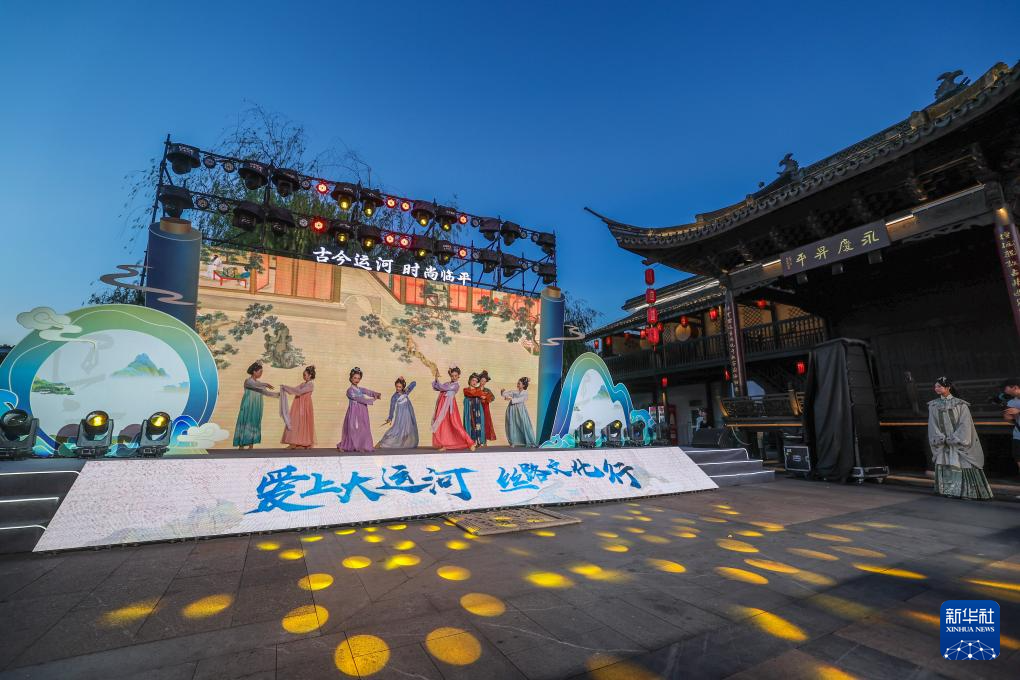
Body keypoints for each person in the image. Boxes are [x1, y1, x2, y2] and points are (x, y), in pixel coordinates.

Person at [928, 376, 993, 500]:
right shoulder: (933, 405)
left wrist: (956, 438)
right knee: (947, 463)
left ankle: (968, 492)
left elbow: (965, 423)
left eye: (939, 386)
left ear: (948, 387)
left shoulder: (960, 404)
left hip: (958, 442)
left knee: (964, 464)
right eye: (935, 386)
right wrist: (940, 437)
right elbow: (932, 423)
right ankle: (950, 491)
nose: (936, 388)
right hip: (944, 442)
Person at [233, 362, 278, 449]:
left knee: (254, 422)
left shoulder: (259, 383)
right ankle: (241, 445)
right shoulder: (248, 381)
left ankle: (251, 445)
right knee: (245, 421)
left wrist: (278, 395)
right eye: (260, 372)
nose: (261, 373)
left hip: (257, 406)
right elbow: (253, 385)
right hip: (248, 405)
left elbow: (266, 393)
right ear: (254, 372)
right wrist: (265, 384)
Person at [431, 366, 476, 451]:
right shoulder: (447, 383)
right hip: (442, 406)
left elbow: (442, 388)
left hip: (450, 407)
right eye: (452, 376)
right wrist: (436, 378)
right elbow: (436, 387)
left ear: (458, 376)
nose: (454, 377)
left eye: (456, 376)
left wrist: (438, 381)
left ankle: (470, 443)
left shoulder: (455, 385)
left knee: (456, 424)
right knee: (442, 425)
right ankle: (443, 444)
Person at [339, 367, 382, 452]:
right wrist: (373, 399)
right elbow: (359, 399)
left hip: (362, 411)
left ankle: (361, 445)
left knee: (363, 428)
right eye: (355, 378)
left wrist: (376, 394)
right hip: (354, 412)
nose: (357, 380)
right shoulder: (350, 391)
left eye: (358, 378)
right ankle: (347, 446)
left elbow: (368, 391)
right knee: (353, 428)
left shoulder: (360, 389)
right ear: (351, 378)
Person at [377, 377, 419, 449]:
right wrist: (390, 418)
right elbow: (392, 408)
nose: (398, 388)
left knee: (407, 430)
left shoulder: (406, 392)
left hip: (408, 414)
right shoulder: (394, 396)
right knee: (396, 430)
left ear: (403, 387)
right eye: (397, 386)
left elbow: (414, 383)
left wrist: (404, 383)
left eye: (400, 387)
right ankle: (383, 443)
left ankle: (402, 444)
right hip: (401, 415)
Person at [280, 365, 315, 449]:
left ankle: (303, 443)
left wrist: (287, 388)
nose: (303, 376)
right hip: (299, 405)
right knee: (297, 422)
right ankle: (296, 442)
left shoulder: (310, 385)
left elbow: (299, 392)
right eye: (303, 375)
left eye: (305, 375)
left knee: (303, 423)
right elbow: (295, 389)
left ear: (310, 375)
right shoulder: (303, 384)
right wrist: (285, 387)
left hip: (305, 406)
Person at [502, 377, 537, 447]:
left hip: (520, 410)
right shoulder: (514, 392)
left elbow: (522, 399)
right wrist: (503, 392)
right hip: (512, 409)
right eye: (518, 383)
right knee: (512, 424)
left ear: (523, 385)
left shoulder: (525, 393)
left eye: (519, 383)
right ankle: (513, 442)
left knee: (524, 424)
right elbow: (506, 394)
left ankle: (530, 441)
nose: (517, 384)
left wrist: (511, 399)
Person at [1000, 378, 1020, 476]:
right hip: (1018, 435)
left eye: (1005, 388)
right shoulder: (1011, 402)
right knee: (1018, 458)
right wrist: (1008, 417)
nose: (1004, 391)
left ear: (1015, 387)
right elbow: (1010, 420)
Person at [462, 373, 487, 447]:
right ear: (469, 380)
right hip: (470, 410)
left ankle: (478, 441)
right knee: (470, 423)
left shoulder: (478, 390)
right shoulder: (466, 389)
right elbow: (471, 393)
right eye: (473, 380)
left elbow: (485, 396)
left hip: (477, 409)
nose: (474, 382)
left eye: (476, 381)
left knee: (478, 424)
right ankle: (470, 441)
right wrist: (480, 394)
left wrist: (481, 395)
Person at [478, 370, 498, 444]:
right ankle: (478, 441)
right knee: (477, 423)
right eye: (482, 380)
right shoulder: (476, 389)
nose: (483, 382)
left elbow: (493, 398)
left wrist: (486, 398)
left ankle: (484, 441)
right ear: (479, 380)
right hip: (477, 408)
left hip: (485, 408)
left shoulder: (487, 390)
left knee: (485, 423)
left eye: (484, 381)